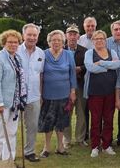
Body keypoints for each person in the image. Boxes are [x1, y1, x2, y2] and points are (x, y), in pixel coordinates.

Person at [0, 30, 24, 166]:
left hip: (14, 103)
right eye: (10, 42)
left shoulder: (16, 58)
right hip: (1, 104)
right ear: (4, 43)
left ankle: (8, 162)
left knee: (12, 134)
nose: (13, 44)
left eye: (16, 42)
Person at [38, 30, 77, 158]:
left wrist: (72, 91)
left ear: (63, 42)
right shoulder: (43, 54)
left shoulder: (68, 54)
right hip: (47, 95)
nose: (56, 42)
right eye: (53, 40)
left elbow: (72, 74)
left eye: (59, 40)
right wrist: (39, 94)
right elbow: (40, 75)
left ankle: (60, 147)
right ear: (49, 42)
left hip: (64, 95)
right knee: (48, 122)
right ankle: (46, 147)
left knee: (61, 123)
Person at [83, 30, 120, 157]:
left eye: (101, 38)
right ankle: (95, 146)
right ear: (93, 41)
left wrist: (101, 63)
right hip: (95, 92)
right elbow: (90, 67)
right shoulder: (89, 52)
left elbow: (117, 64)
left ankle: (106, 145)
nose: (99, 41)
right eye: (96, 39)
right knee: (95, 120)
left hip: (110, 91)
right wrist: (107, 67)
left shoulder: (112, 52)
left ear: (105, 40)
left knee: (109, 119)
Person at [17, 24, 45, 162]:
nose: (32, 37)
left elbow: (40, 75)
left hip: (34, 96)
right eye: (29, 35)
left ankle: (29, 152)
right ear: (23, 35)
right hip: (15, 96)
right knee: (12, 127)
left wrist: (40, 94)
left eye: (34, 35)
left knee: (32, 126)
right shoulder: (15, 50)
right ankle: (7, 153)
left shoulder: (41, 53)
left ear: (38, 37)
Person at [63, 25, 88, 149]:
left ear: (78, 36)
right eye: (70, 34)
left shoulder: (84, 50)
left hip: (80, 85)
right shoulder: (61, 49)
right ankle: (66, 140)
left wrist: (80, 68)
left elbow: (88, 65)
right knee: (66, 112)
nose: (72, 37)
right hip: (65, 86)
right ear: (66, 35)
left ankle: (80, 139)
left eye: (75, 34)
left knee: (81, 113)